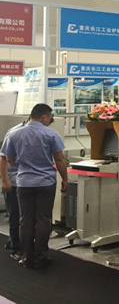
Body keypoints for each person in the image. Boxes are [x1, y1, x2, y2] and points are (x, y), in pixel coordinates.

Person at [0, 104, 68, 269]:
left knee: (25, 220)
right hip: (45, 182)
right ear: (44, 117)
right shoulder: (51, 134)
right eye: (49, 117)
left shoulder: (14, 133)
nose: (50, 121)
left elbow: (9, 159)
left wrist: (24, 165)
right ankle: (41, 256)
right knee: (43, 219)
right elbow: (59, 159)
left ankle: (26, 256)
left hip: (23, 183)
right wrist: (65, 179)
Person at [0, 121, 26, 261]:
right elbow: (3, 158)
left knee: (24, 216)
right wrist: (5, 180)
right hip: (15, 180)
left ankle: (17, 243)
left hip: (28, 181)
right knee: (15, 215)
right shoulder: (14, 133)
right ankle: (16, 247)